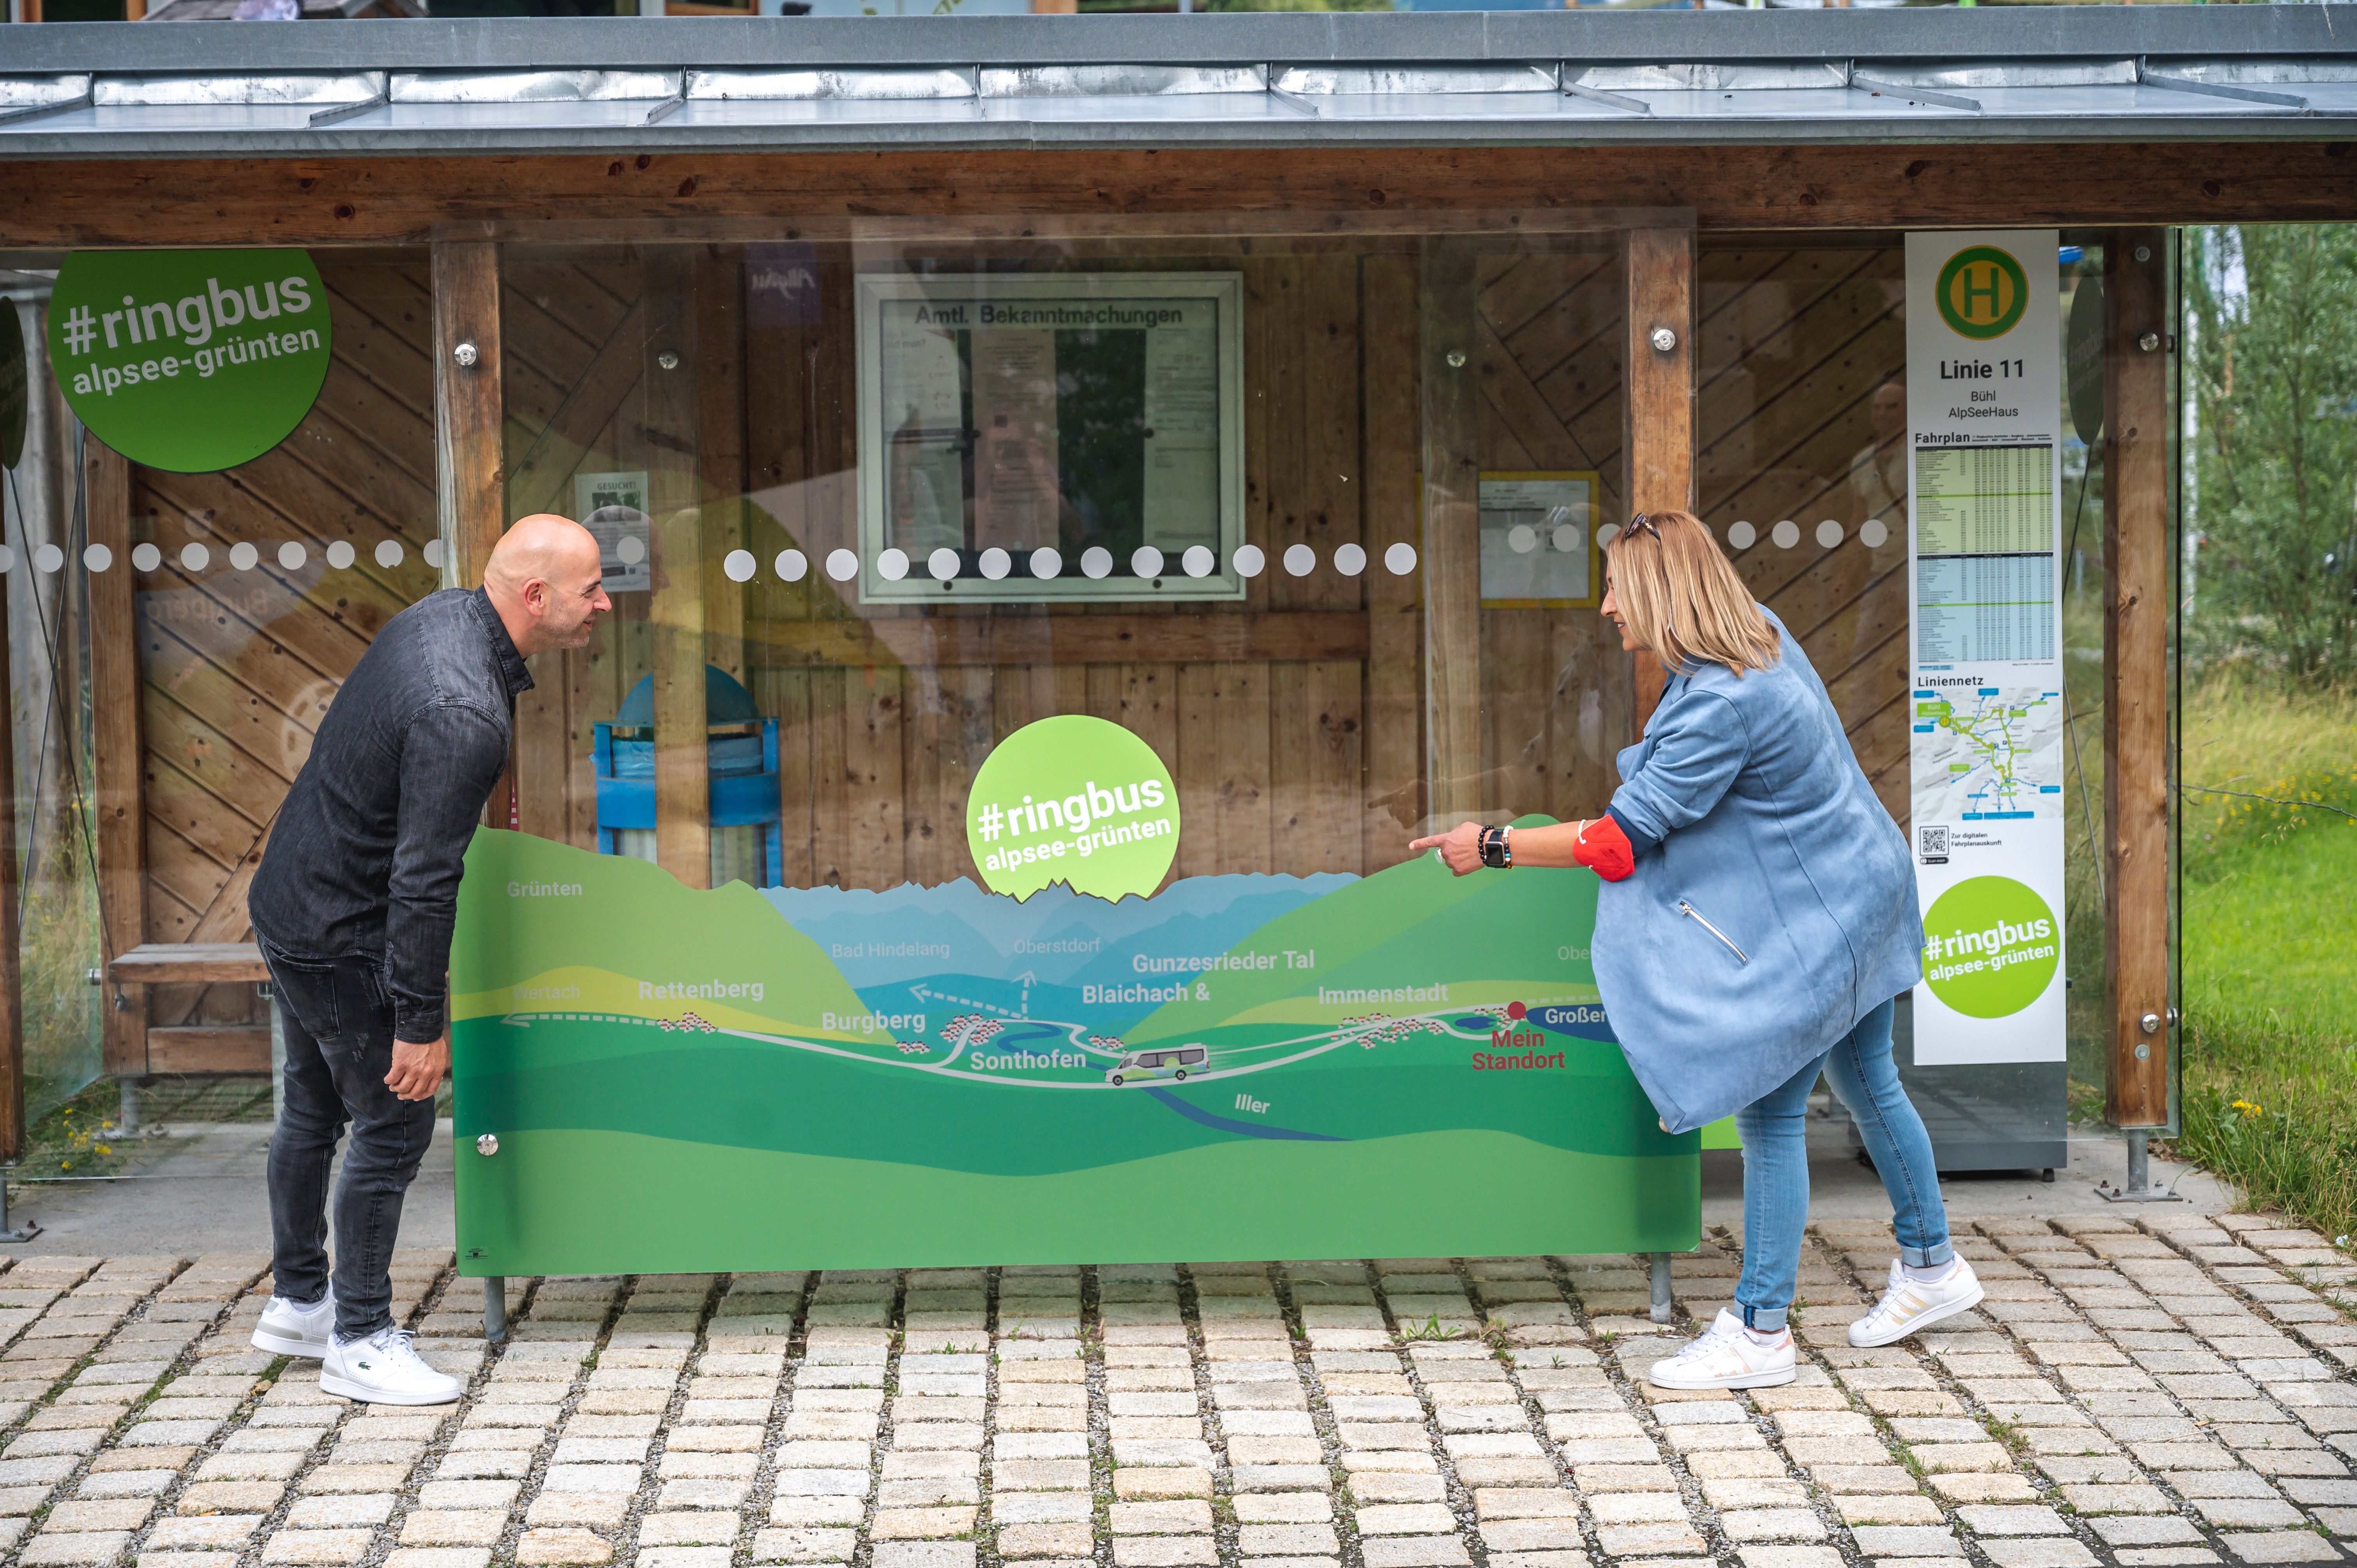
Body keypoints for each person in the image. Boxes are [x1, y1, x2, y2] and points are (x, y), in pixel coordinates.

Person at [1410, 510, 1980, 1390]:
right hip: (1861, 887)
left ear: (1660, 596)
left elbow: (1618, 842)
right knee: (1870, 1080)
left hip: (1827, 915)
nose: (1606, 609)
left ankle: (1760, 1331)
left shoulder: (1724, 701)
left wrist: (1492, 844)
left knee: (1766, 1110)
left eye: (1617, 592)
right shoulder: (1759, 639)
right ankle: (1933, 1267)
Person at [246, 514, 611, 1404]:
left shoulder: (441, 618)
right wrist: (419, 1024)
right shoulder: (465, 709)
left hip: (290, 899)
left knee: (311, 1105)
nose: (605, 601)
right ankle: (359, 1336)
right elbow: (421, 880)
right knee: (393, 1122)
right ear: (536, 598)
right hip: (342, 930)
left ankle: (301, 1301)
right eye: (591, 587)